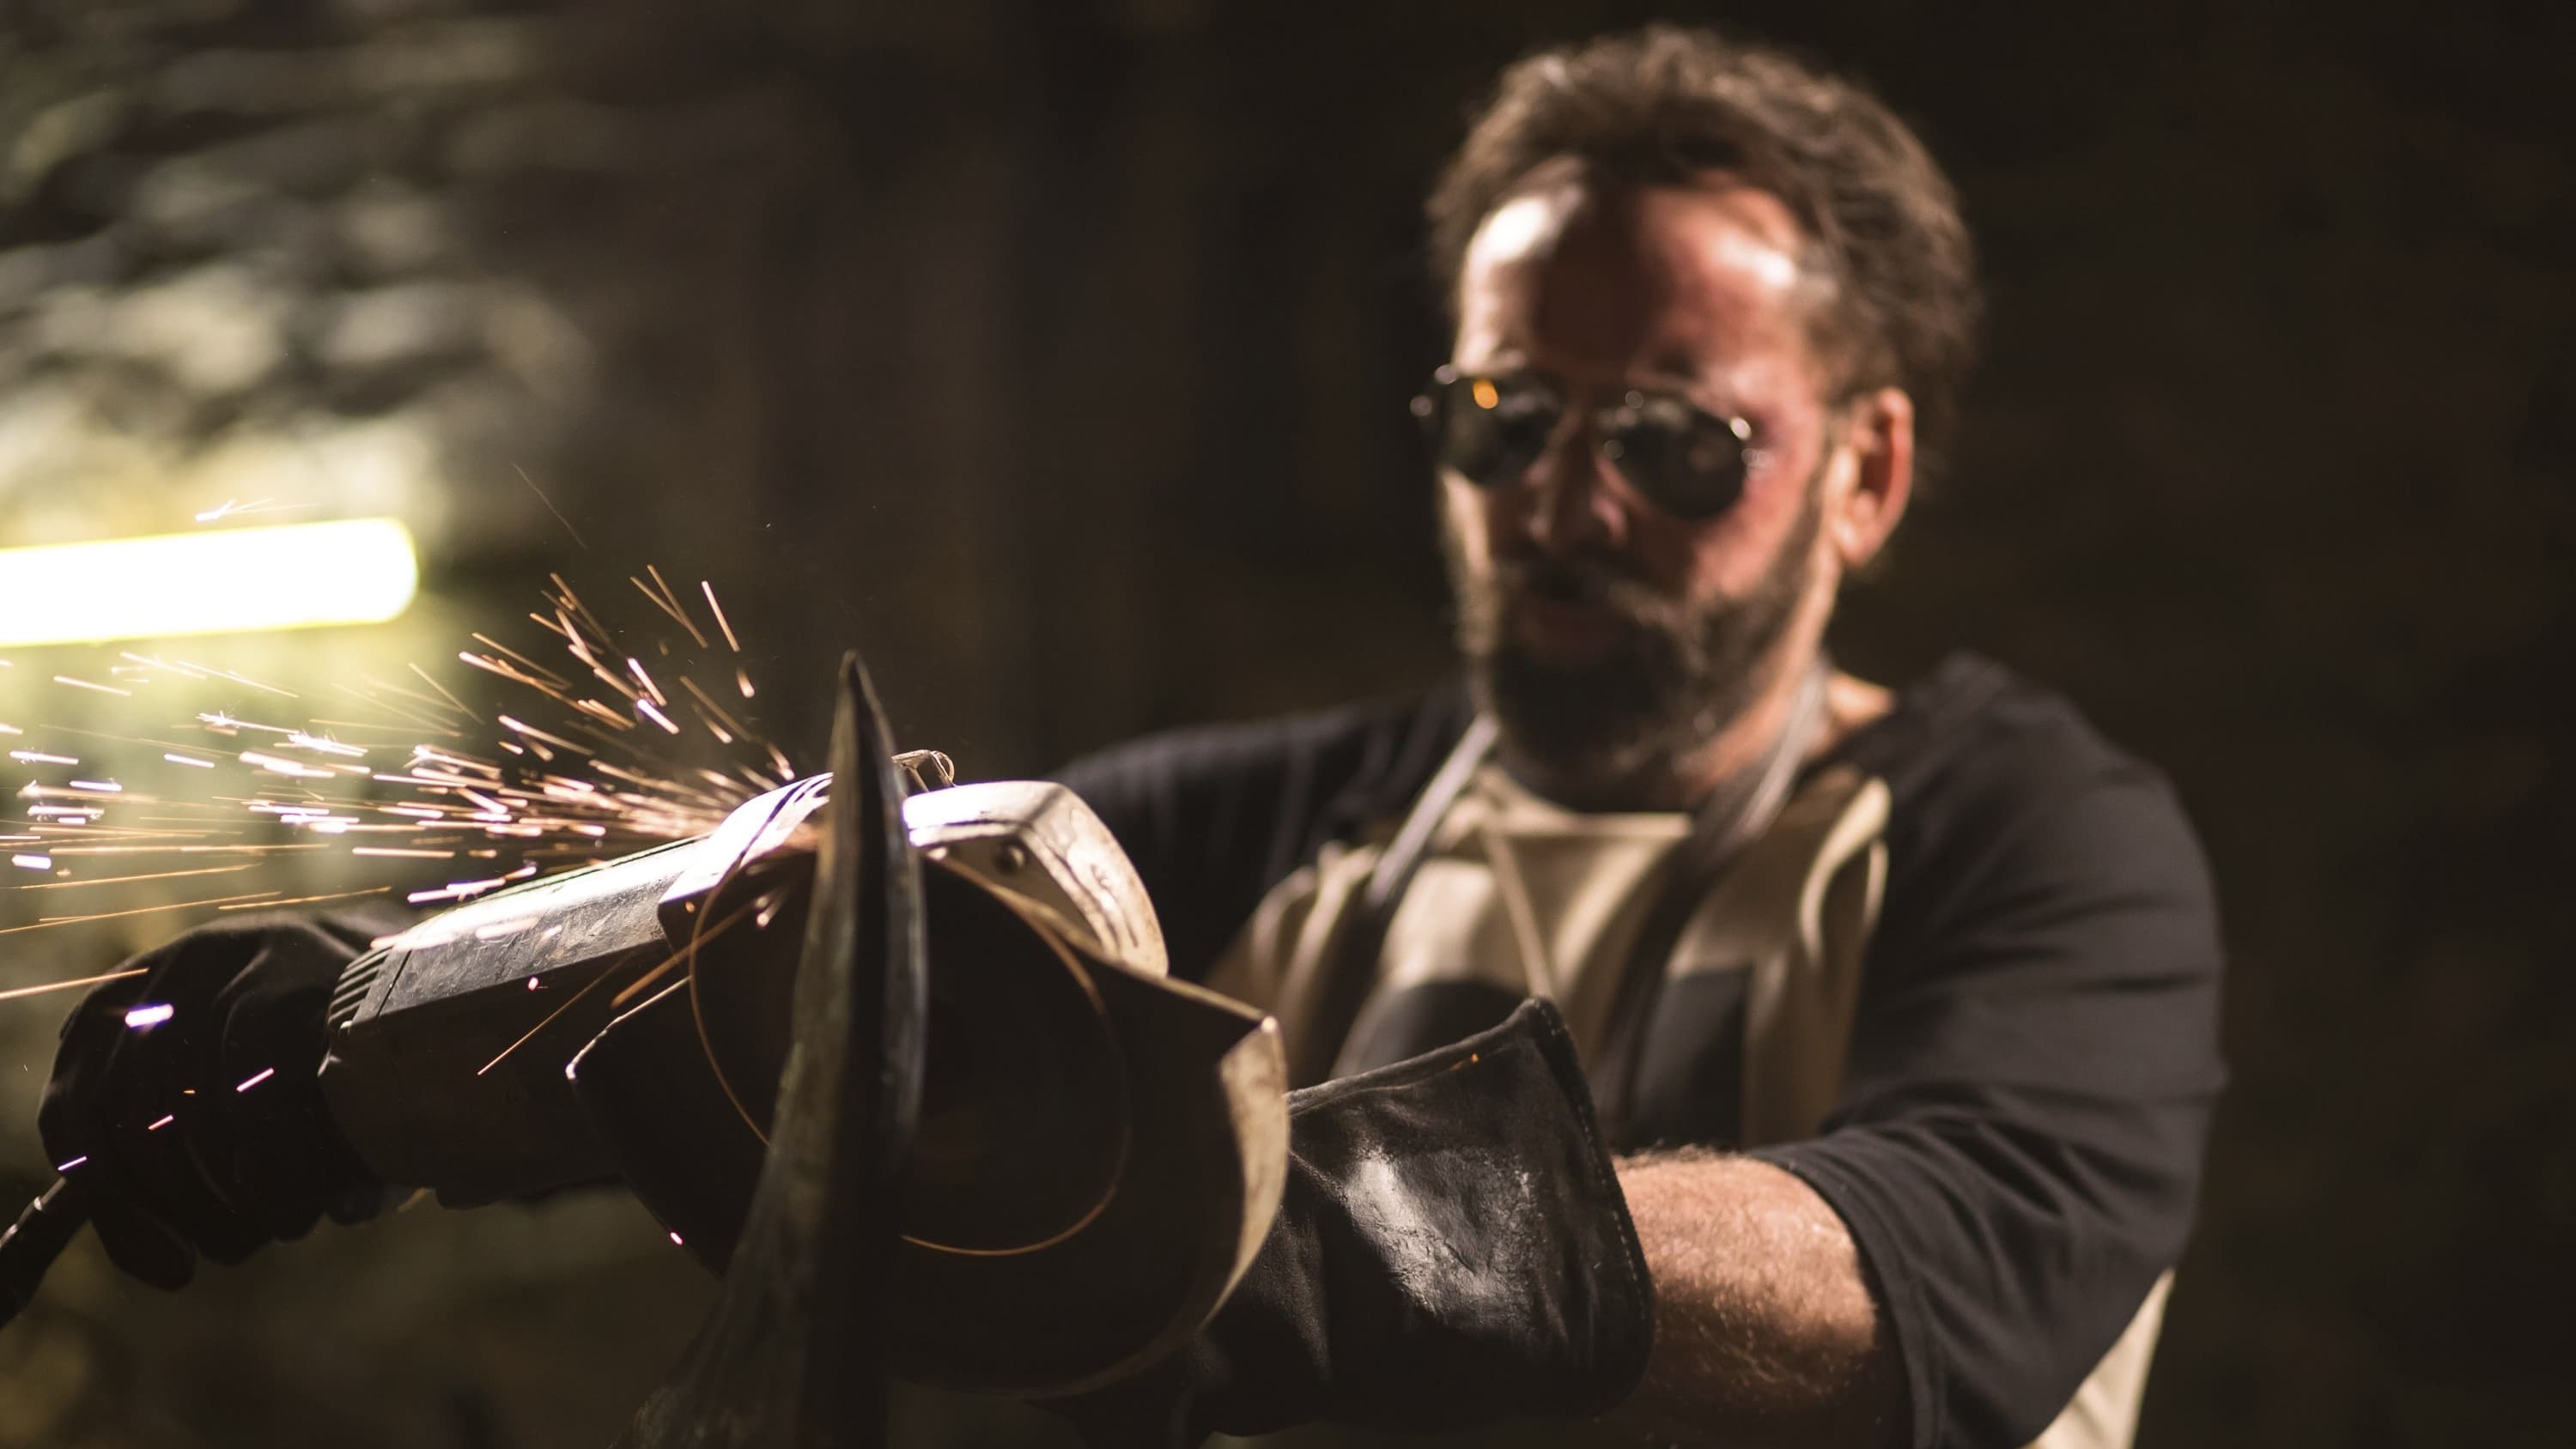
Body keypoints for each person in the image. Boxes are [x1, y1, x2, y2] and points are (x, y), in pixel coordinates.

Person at [36, 25, 2223, 1449]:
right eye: (1505, 413)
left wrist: (1257, 1224)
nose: (1564, 492)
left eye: (1673, 436)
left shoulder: (2022, 841)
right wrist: (359, 1042)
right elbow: (844, 974)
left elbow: (1923, 1277)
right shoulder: (1288, 818)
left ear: (1866, 473)